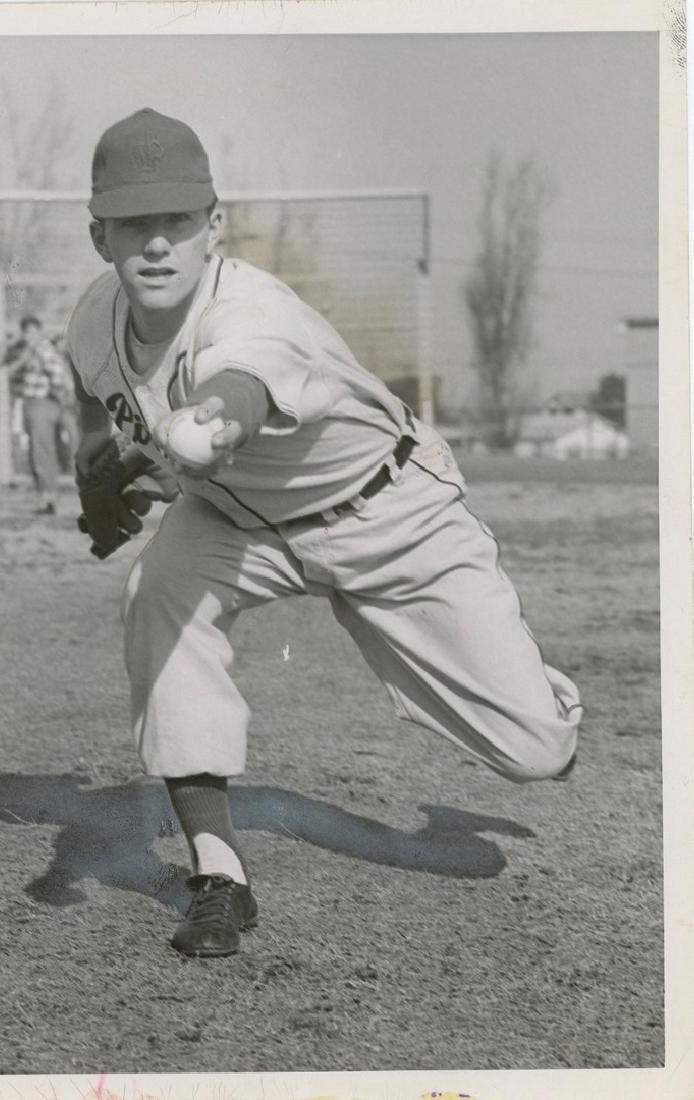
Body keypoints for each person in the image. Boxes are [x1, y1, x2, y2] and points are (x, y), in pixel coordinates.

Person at [66, 108, 582, 959]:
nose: (156, 245)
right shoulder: (91, 320)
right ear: (99, 237)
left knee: (534, 752)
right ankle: (219, 874)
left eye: (177, 222)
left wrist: (197, 436)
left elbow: (235, 398)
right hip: (237, 523)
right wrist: (108, 469)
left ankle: (542, 701)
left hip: (387, 513)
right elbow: (116, 412)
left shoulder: (258, 312)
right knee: (159, 591)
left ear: (213, 228)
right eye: (133, 224)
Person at [6, 315, 73, 515]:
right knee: (39, 450)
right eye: (26, 332)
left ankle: (48, 498)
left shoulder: (43, 350)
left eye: (32, 332)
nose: (28, 336)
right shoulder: (31, 351)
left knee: (41, 451)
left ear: (39, 331)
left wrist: (58, 394)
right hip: (33, 403)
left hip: (42, 404)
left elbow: (58, 376)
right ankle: (44, 496)